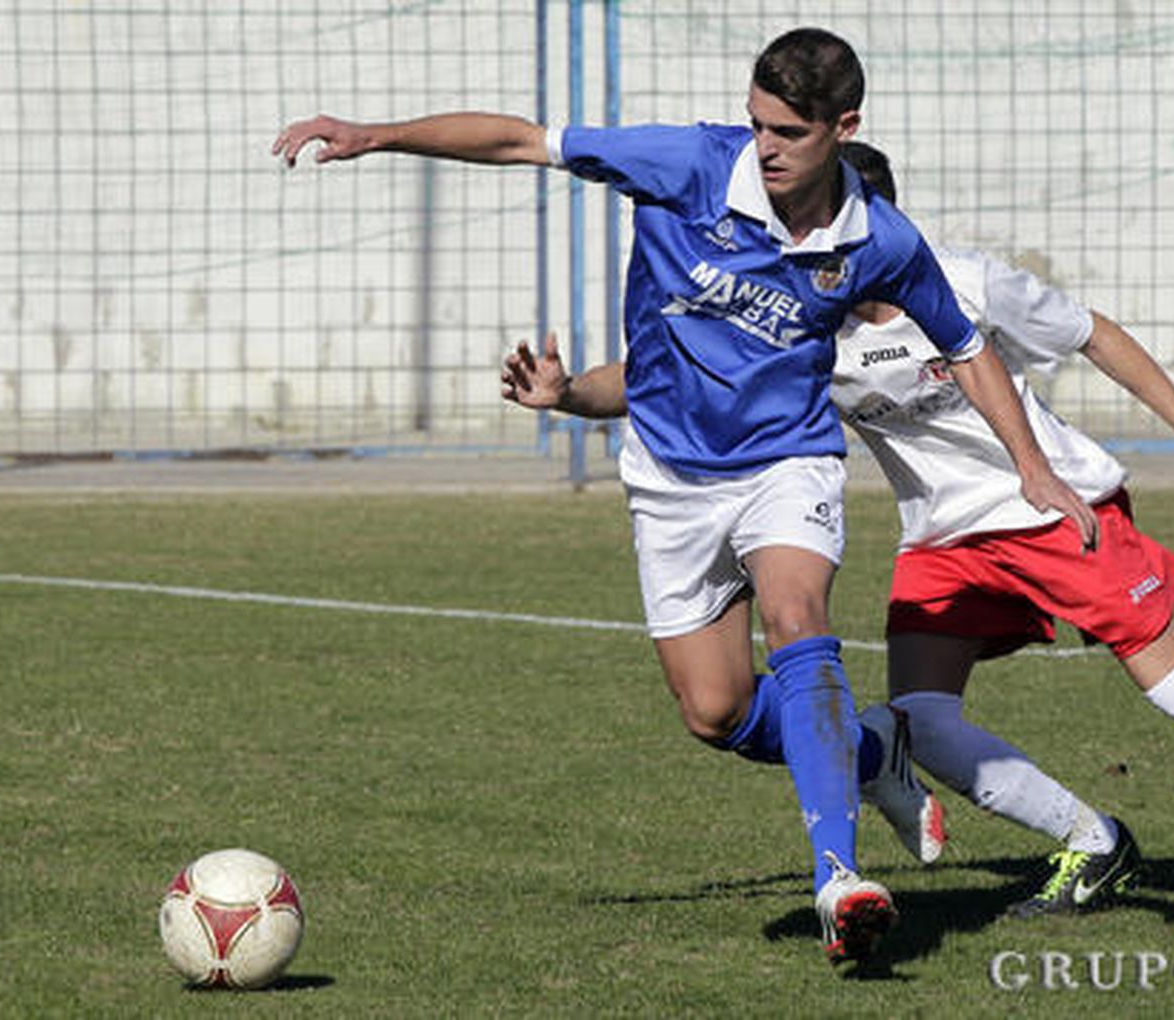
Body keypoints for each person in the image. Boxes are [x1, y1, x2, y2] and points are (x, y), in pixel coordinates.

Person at [277, 28, 1098, 964]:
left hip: (787, 461)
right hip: (669, 476)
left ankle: (839, 877)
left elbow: (965, 343)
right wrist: (374, 135)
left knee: (799, 620)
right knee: (714, 711)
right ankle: (870, 756)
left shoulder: (878, 238)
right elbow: (521, 141)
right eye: (757, 125)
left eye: (789, 130)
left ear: (844, 127)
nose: (767, 147)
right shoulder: (687, 165)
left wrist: (1031, 464)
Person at [505, 141, 1174, 915]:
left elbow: (1093, 333)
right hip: (943, 541)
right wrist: (569, 396)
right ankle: (1093, 840)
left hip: (1055, 512)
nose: (806, 249)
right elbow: (666, 377)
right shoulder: (802, 318)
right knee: (924, 723)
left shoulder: (967, 283)